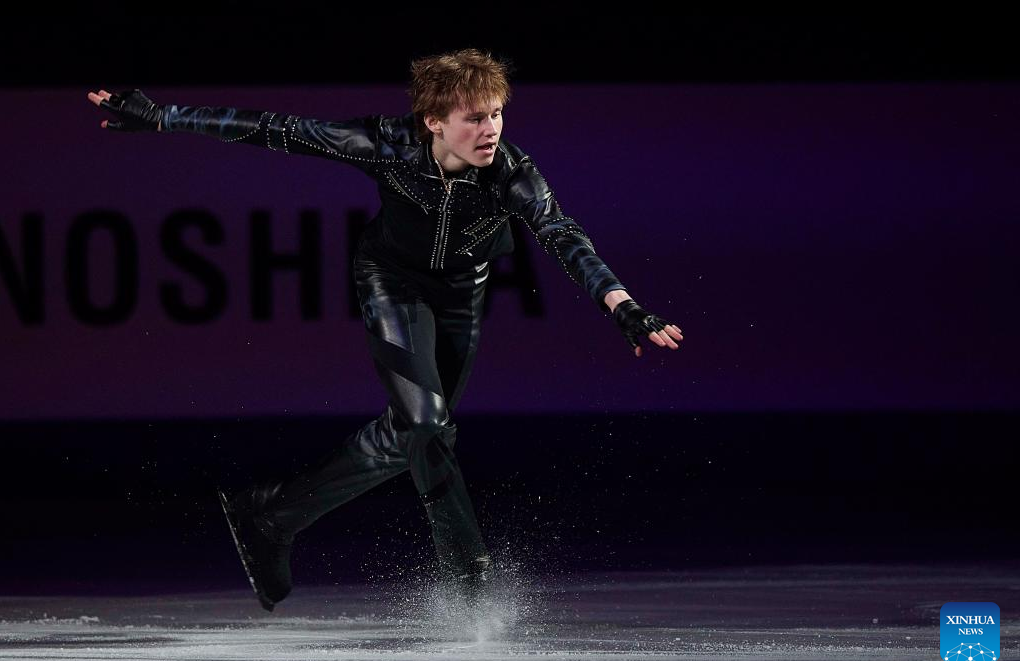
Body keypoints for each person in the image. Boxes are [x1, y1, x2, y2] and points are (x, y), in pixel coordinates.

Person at [87, 48, 683, 612]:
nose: (492, 130)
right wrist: (163, 117)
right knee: (426, 424)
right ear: (433, 121)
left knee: (414, 435)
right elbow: (275, 128)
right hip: (390, 282)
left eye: (497, 114)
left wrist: (623, 307)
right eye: (475, 118)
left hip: (462, 294)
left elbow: (562, 234)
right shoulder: (385, 144)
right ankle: (469, 575)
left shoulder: (512, 173)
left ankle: (271, 516)